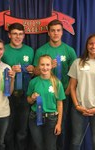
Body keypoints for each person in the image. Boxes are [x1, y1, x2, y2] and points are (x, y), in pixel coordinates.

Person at [33, 19, 77, 150]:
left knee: (60, 126)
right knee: (44, 128)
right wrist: (49, 67)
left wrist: (68, 90)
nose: (55, 33)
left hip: (63, 94)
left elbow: (75, 74)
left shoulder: (69, 50)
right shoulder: (41, 50)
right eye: (53, 31)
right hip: (46, 94)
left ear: (62, 32)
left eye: (58, 30)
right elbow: (35, 72)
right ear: (48, 33)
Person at [1, 23, 34, 150]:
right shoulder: (3, 50)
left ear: (24, 35)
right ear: (9, 35)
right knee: (8, 131)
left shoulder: (30, 50)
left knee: (23, 131)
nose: (17, 37)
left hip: (25, 95)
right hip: (7, 96)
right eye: (14, 33)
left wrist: (32, 69)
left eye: (20, 34)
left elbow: (35, 70)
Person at [27, 55, 65, 150]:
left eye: (47, 64)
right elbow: (28, 100)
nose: (45, 67)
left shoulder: (57, 83)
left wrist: (59, 124)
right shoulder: (33, 82)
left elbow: (59, 104)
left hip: (52, 119)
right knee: (38, 146)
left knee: (50, 147)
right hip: (35, 117)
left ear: (52, 66)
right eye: (42, 64)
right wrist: (32, 98)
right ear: (38, 66)